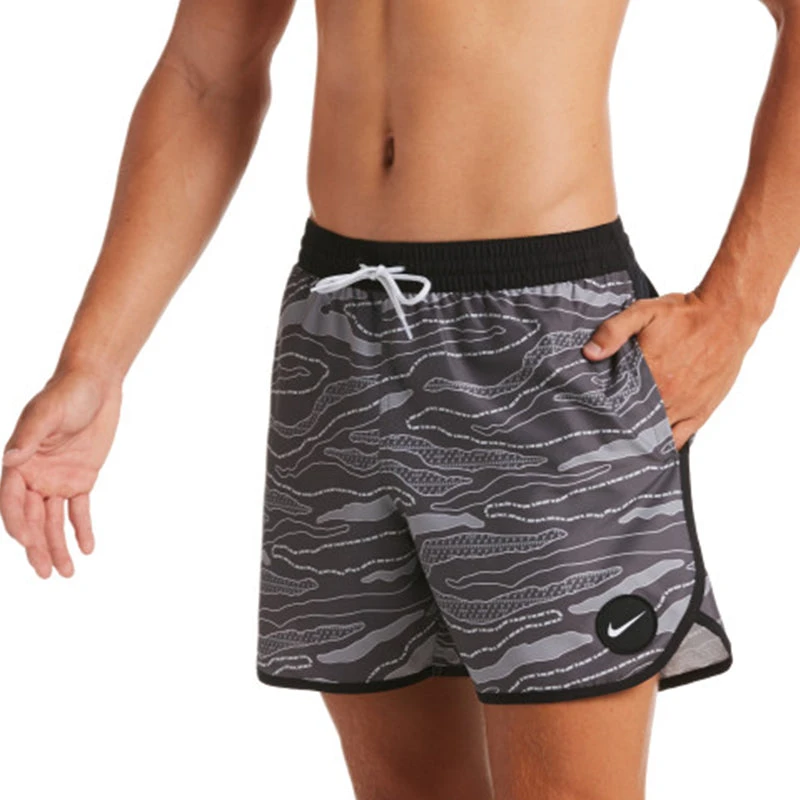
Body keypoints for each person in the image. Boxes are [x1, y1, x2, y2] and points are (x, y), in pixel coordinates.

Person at [1, 1, 797, 798]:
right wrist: (94, 363)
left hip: (543, 342)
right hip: (336, 332)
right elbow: (207, 76)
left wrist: (734, 309)